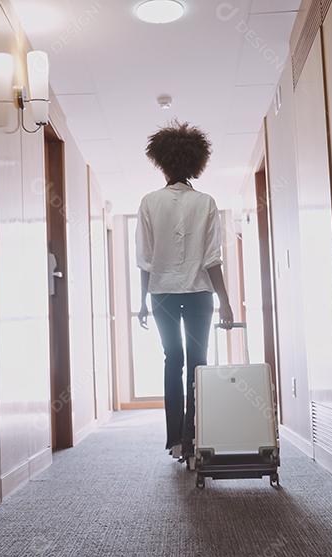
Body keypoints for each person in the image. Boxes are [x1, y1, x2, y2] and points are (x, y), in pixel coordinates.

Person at [135, 121, 234, 461]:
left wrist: (142, 302)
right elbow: (212, 259)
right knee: (198, 364)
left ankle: (175, 441)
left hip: (161, 293)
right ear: (195, 163)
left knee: (171, 360)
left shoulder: (149, 202)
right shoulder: (205, 202)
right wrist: (225, 304)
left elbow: (145, 260)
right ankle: (195, 441)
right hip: (199, 295)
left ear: (162, 163)